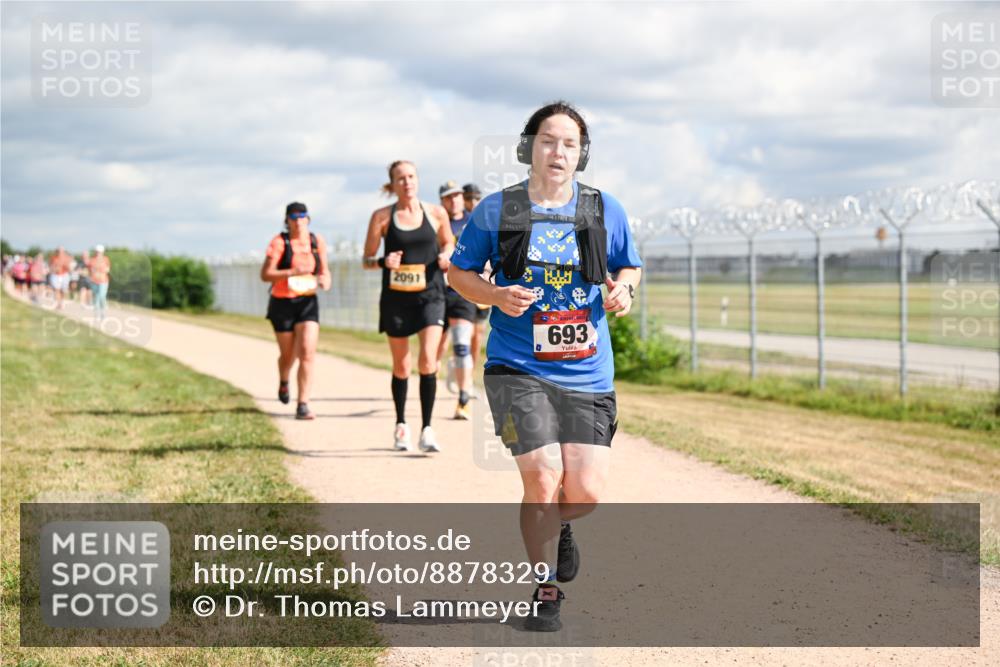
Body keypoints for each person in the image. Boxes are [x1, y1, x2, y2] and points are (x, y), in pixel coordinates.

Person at [448, 101, 642, 632]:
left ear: (582, 154)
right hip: (516, 367)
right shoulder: (498, 210)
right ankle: (545, 588)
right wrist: (493, 294)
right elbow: (458, 274)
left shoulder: (604, 209)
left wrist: (623, 288)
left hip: (587, 373)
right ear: (528, 145)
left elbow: (629, 264)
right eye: (548, 140)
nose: (558, 151)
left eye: (570, 144)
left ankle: (560, 528)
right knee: (542, 478)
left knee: (583, 495)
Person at [363, 160, 454, 453]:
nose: (407, 182)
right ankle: (401, 424)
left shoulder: (436, 213)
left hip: (431, 295)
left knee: (428, 360)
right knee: (402, 365)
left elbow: (449, 244)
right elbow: (365, 259)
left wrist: (446, 255)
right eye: (401, 178)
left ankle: (427, 429)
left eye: (412, 176)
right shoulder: (382, 217)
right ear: (392, 185)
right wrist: (382, 262)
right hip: (397, 299)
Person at [260, 202, 332, 420]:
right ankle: (284, 380)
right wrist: (292, 272)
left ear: (308, 219)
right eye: (293, 217)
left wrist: (324, 281)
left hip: (308, 301)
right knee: (288, 354)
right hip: (282, 302)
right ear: (287, 220)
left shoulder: (316, 242)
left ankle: (303, 404)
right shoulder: (279, 242)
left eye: (302, 216)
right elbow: (266, 274)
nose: (298, 220)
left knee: (307, 352)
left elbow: (326, 273)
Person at [436, 180, 477, 419]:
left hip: (462, 291)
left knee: (463, 344)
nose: (454, 200)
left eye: (457, 196)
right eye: (448, 197)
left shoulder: (473, 221)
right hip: (436, 293)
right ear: (442, 201)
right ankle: (435, 376)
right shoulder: (435, 222)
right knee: (435, 350)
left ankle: (463, 398)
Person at [463, 182, 490, 369]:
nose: (472, 202)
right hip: (463, 285)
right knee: (462, 334)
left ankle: (468, 376)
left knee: (477, 335)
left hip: (485, 284)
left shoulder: (488, 222)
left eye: (476, 198)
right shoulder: (458, 223)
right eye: (468, 198)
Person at [88, 245, 111, 322]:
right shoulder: (92, 260)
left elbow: (107, 269)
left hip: (103, 281)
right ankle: (97, 314)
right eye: (97, 252)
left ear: (102, 252)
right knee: (96, 297)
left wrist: (101, 270)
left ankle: (103, 313)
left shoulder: (105, 259)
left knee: (101, 296)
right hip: (94, 281)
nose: (98, 253)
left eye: (100, 252)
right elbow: (90, 270)